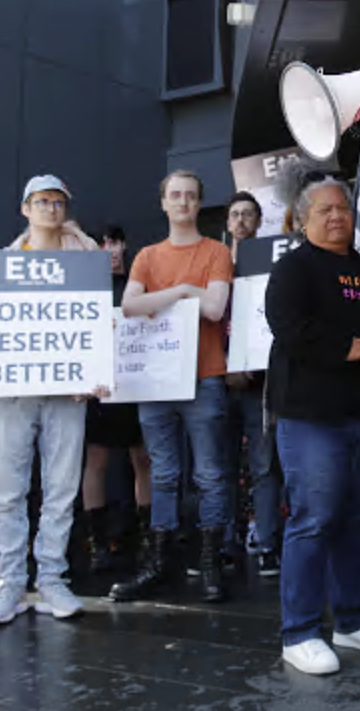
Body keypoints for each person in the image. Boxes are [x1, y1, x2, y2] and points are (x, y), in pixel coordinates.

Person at [265, 172, 360, 675]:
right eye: (324, 210)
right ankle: (299, 632)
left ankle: (351, 620)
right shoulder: (293, 270)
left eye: (343, 209)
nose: (336, 216)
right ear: (303, 219)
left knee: (356, 521)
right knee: (313, 521)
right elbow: (290, 328)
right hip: (313, 419)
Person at [0, 174, 103, 625]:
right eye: (41, 201)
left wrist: (96, 370)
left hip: (67, 391)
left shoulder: (86, 260)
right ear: (25, 208)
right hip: (13, 392)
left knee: (62, 491)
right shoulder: (2, 263)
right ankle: (10, 583)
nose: (51, 209)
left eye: (58, 202)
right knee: (8, 491)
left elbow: (97, 320)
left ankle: (51, 579)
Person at [110, 171, 235, 602]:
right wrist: (184, 290)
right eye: (175, 195)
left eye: (190, 196)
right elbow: (128, 307)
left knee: (210, 474)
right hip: (156, 380)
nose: (182, 202)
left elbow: (216, 308)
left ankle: (210, 562)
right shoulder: (147, 256)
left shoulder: (217, 251)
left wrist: (166, 297)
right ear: (163, 203)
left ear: (199, 204)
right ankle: (160, 561)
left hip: (204, 375)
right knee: (162, 473)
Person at [83, 223, 151, 574]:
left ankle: (146, 540)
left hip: (136, 382)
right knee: (96, 460)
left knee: (142, 458)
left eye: (114, 242)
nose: (110, 249)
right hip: (97, 386)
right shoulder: (86, 289)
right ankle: (96, 542)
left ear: (124, 246)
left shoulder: (137, 286)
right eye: (102, 242)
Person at [224, 190, 281, 574]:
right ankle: (224, 544)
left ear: (260, 222)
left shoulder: (271, 265)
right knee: (219, 466)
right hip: (216, 379)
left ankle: (266, 542)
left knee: (263, 465)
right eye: (235, 215)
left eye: (249, 214)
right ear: (226, 223)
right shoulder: (213, 261)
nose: (242, 221)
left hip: (259, 381)